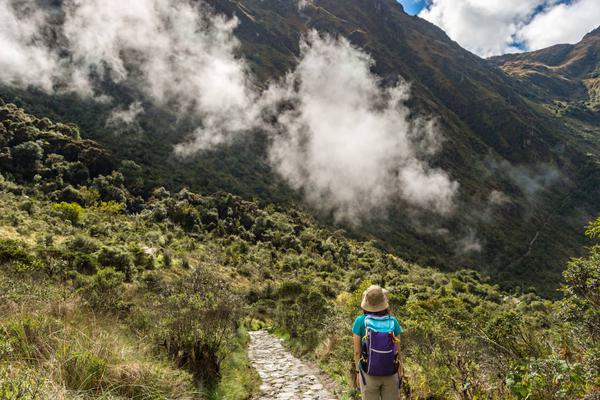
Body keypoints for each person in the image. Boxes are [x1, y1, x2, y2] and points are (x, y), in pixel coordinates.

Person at [352, 285, 404, 400]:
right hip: (391, 371)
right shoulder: (393, 321)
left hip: (368, 372)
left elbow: (357, 351)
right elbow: (397, 349)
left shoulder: (360, 321)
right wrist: (400, 371)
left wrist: (357, 372)